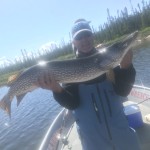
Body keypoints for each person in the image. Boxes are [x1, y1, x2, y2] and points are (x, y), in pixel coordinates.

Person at [37, 19, 141, 150]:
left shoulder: (107, 59)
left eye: (87, 35)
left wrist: (126, 68)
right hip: (94, 142)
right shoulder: (70, 69)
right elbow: (72, 104)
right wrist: (56, 89)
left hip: (122, 133)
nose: (84, 40)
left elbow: (123, 92)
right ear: (73, 42)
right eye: (79, 37)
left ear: (93, 36)